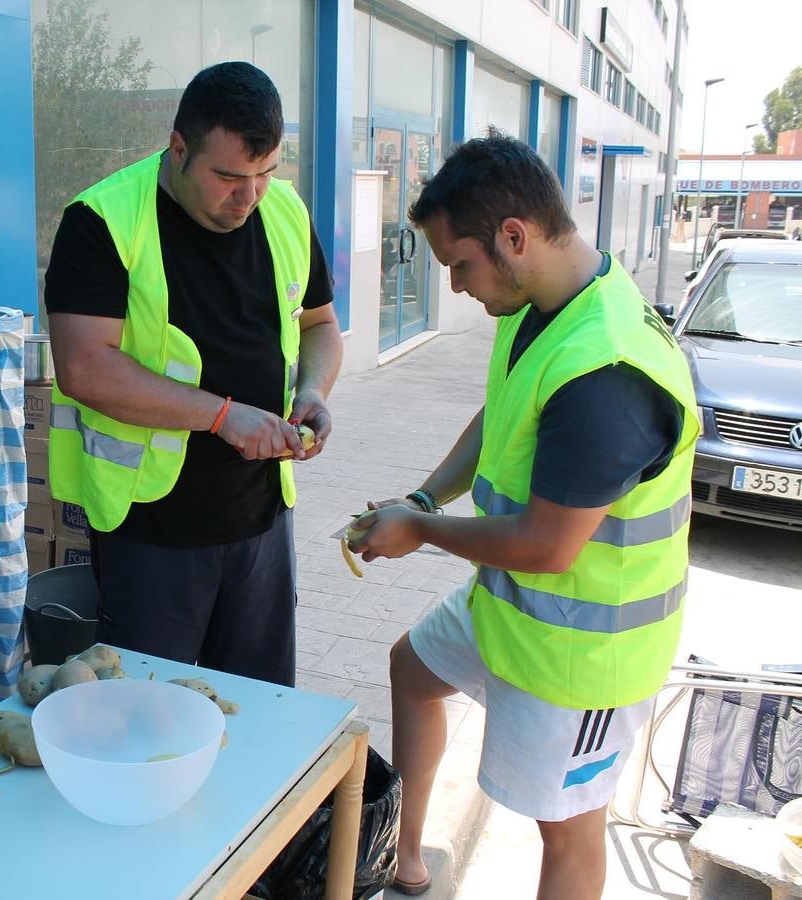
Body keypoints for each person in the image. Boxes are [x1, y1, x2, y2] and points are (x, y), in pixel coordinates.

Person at [349, 135, 697, 900]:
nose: (455, 284)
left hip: (585, 653)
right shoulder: (538, 301)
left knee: (568, 833)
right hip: (515, 611)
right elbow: (499, 414)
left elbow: (545, 545)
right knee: (413, 670)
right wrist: (424, 499)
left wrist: (423, 533)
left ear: (514, 236)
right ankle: (403, 860)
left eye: (459, 265)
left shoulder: (606, 371)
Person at [45, 62, 343, 687]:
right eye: (229, 177)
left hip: (262, 520)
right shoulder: (102, 221)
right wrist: (221, 416)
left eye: (265, 173)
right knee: (148, 717)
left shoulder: (284, 211)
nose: (250, 195)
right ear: (178, 148)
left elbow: (319, 324)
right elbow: (83, 367)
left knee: (262, 709)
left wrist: (312, 389)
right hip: (152, 532)